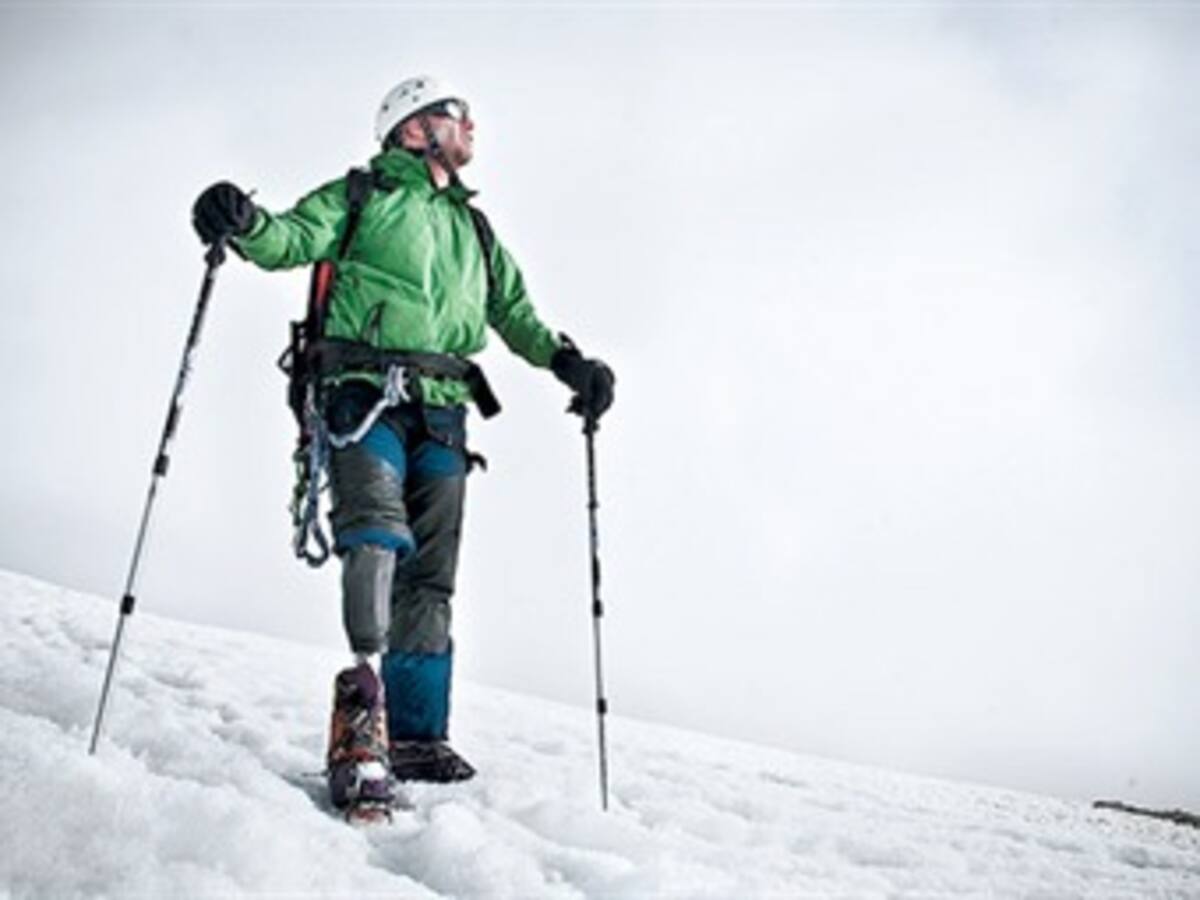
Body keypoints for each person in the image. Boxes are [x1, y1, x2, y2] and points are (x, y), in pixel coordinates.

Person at [191, 75, 614, 818]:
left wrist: (569, 364)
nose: (473, 125)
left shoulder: (475, 230)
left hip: (446, 408)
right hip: (363, 394)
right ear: (415, 128)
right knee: (376, 534)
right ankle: (361, 721)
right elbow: (290, 237)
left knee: (432, 578)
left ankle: (416, 736)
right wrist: (244, 220)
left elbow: (514, 313)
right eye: (459, 115)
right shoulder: (361, 197)